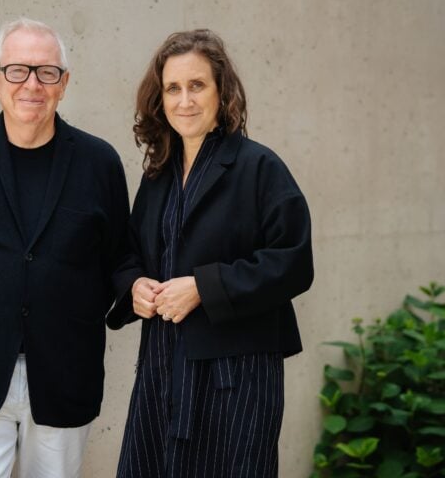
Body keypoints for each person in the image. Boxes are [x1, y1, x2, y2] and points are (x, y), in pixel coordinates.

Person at [0, 18, 129, 478]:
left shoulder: (100, 163)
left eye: (47, 72)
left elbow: (117, 257)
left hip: (66, 369)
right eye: (17, 70)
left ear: (64, 84)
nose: (32, 83)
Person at [106, 29, 314, 477]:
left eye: (197, 85)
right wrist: (134, 285)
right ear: (159, 98)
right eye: (173, 88)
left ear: (222, 91)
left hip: (236, 380)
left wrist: (205, 287)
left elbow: (294, 263)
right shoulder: (158, 174)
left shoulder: (260, 167)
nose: (185, 100)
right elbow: (129, 252)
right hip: (162, 370)